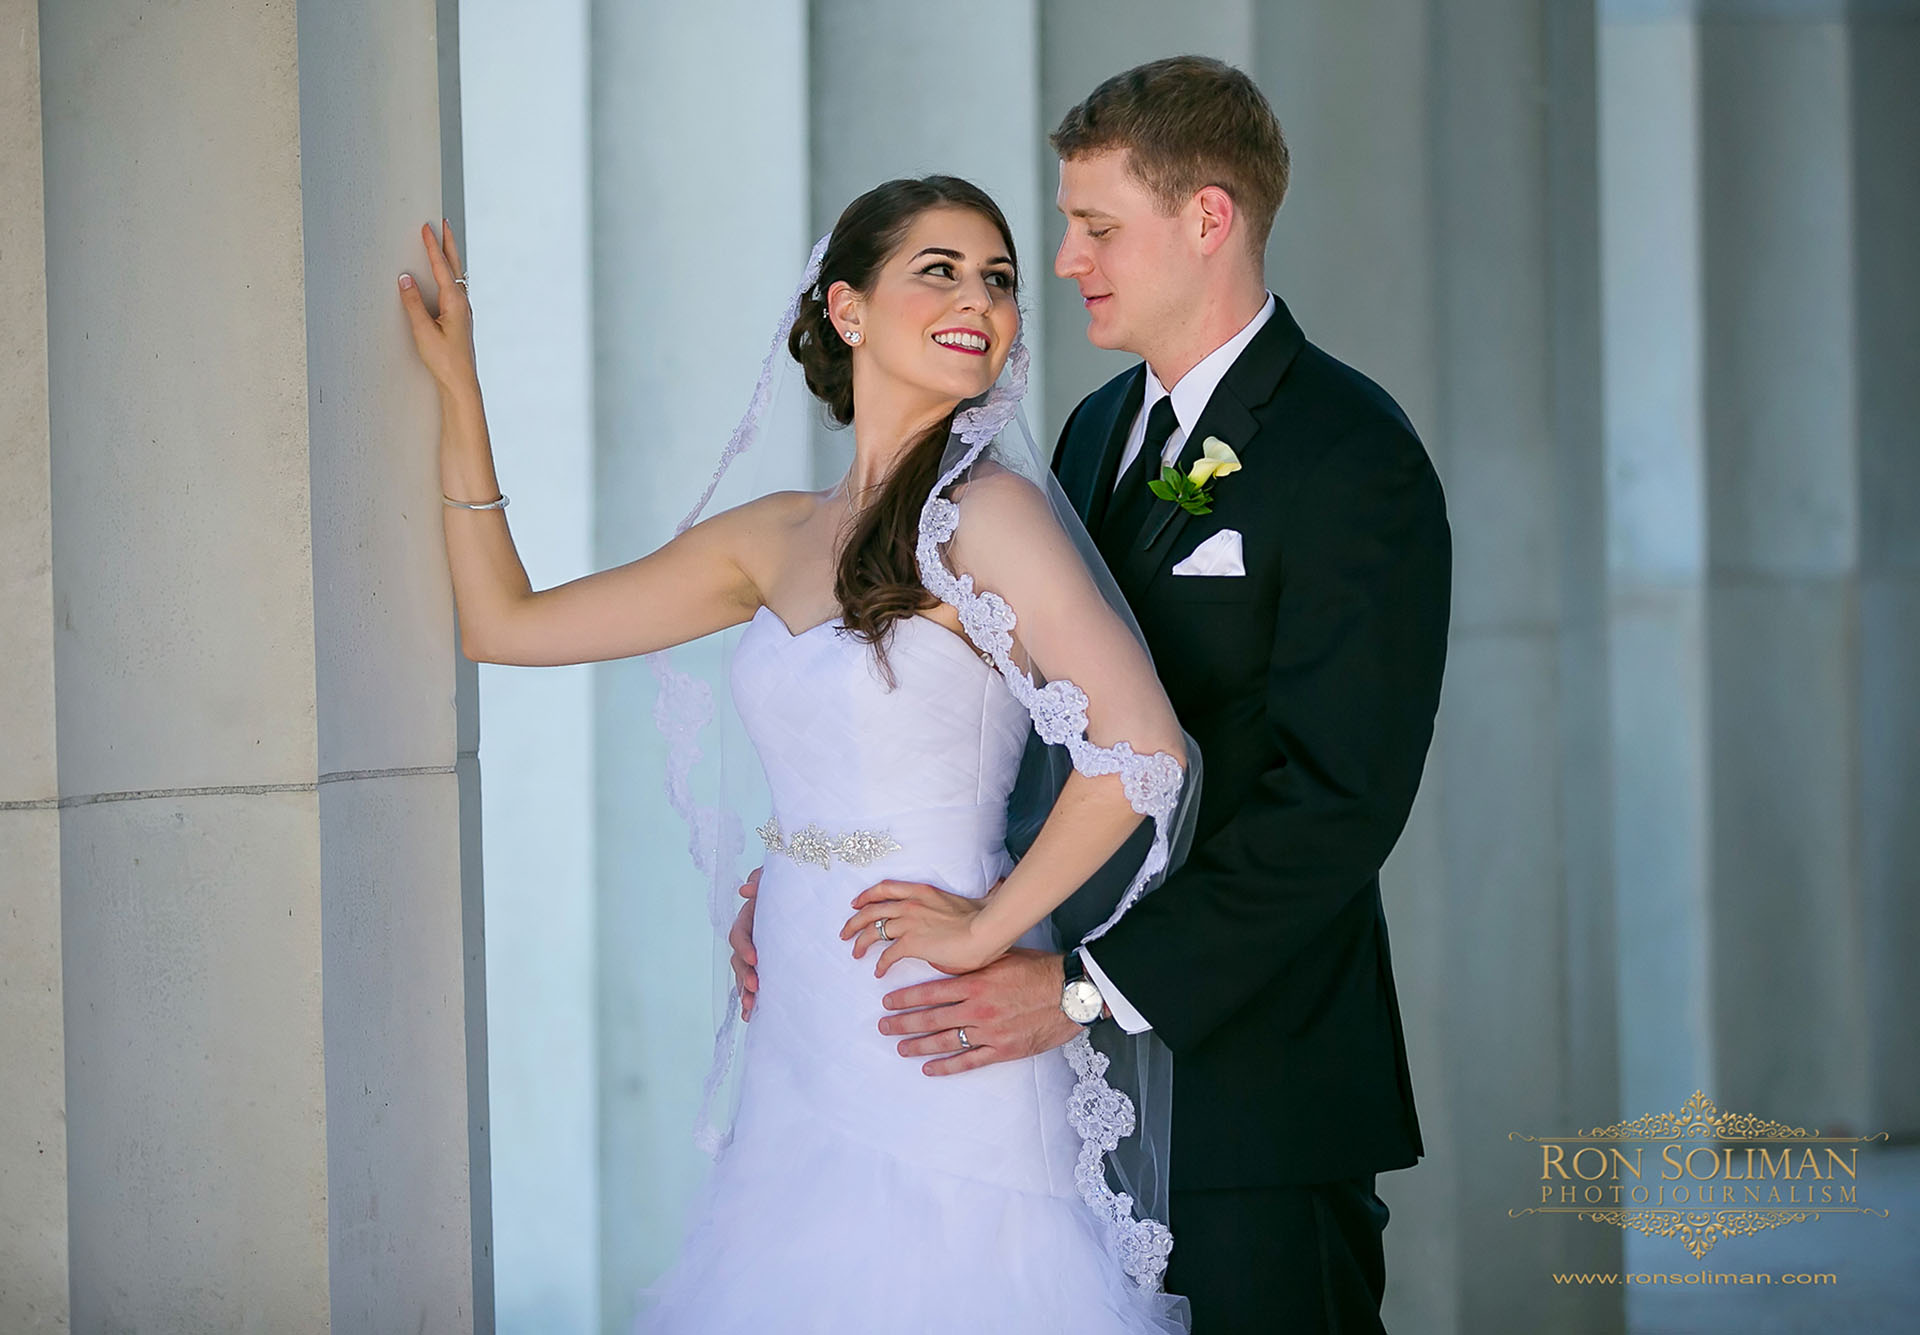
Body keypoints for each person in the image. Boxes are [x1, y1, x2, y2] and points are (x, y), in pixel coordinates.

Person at [729, 55, 1453, 1334]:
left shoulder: (1354, 452)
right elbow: (1009, 720)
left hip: (1253, 1091)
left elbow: (1337, 805)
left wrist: (1081, 987)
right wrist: (822, 870)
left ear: (1208, 219)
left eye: (1097, 226)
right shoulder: (1090, 434)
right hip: (1044, 1102)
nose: (1065, 261)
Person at [398, 176, 1196, 1332]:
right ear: (848, 309)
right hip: (801, 1017)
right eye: (941, 270)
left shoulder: (991, 517)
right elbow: (506, 627)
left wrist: (980, 927)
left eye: (1001, 278)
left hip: (940, 1021)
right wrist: (459, 394)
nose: (981, 298)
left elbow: (1142, 751)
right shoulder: (772, 536)